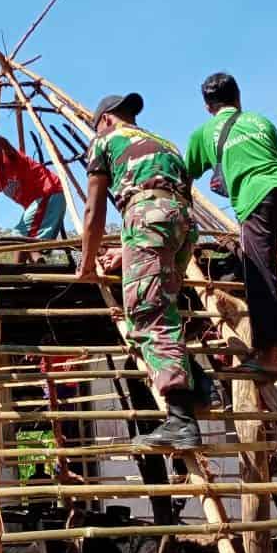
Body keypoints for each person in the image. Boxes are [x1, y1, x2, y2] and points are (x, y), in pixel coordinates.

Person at [77, 91, 203, 450]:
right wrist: (128, 249)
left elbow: (93, 212)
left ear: (104, 120)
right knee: (168, 310)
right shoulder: (164, 143)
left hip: (147, 217)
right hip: (182, 224)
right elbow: (171, 204)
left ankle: (181, 422)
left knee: (148, 315)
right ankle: (201, 390)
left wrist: (87, 263)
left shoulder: (104, 141)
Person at [185, 72, 277, 372]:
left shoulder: (203, 133)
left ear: (207, 106)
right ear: (238, 98)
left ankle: (269, 357)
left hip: (255, 199)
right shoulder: (262, 121)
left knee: (261, 274)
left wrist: (185, 222)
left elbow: (185, 177)